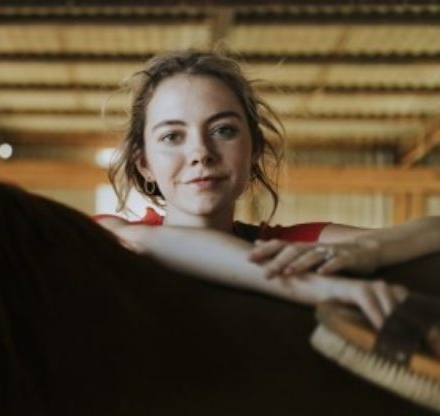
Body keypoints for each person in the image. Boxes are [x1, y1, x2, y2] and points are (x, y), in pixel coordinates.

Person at [96, 49, 440, 329]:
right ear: (144, 164)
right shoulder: (107, 237)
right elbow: (147, 242)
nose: (201, 153)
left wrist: (366, 250)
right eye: (172, 136)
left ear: (255, 149)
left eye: (223, 130)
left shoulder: (284, 249)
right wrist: (325, 287)